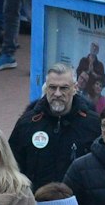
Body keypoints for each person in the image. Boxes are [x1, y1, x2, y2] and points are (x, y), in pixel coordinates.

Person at [10, 63, 99, 191]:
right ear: (46, 89)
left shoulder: (93, 124)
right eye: (52, 87)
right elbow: (12, 165)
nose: (57, 94)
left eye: (64, 88)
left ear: (75, 88)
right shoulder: (27, 123)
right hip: (36, 204)